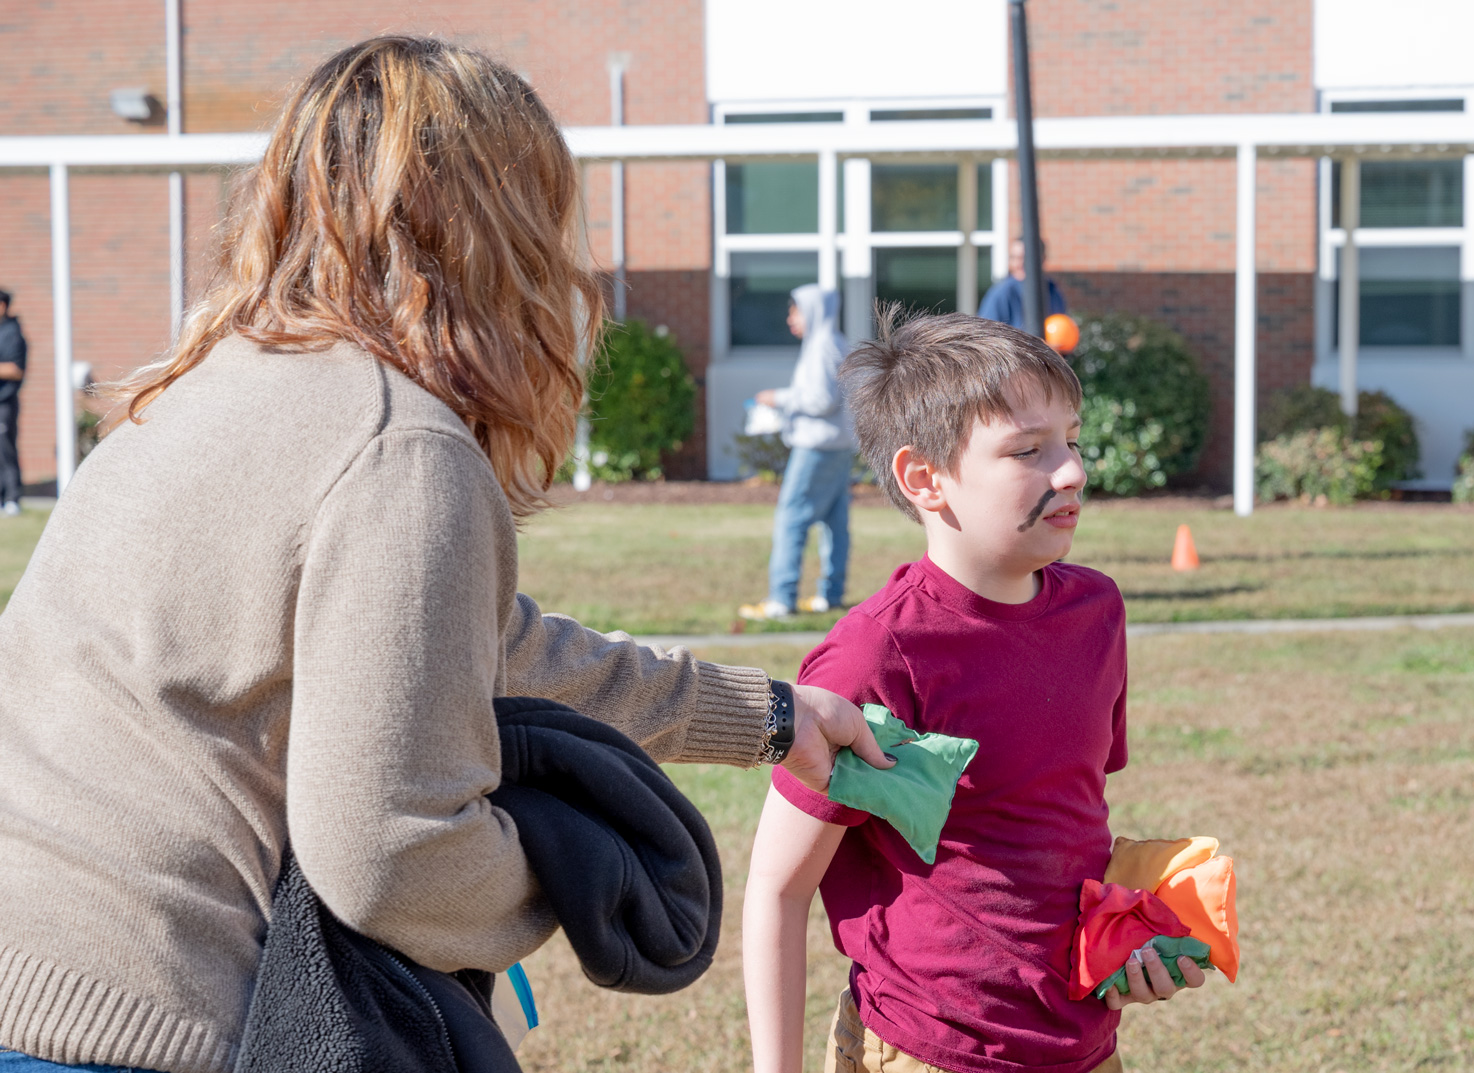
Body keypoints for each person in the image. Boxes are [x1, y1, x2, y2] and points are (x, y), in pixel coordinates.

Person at [0, 37, 889, 1073]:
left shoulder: (197, 388)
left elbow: (474, 642)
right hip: (154, 1016)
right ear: (497, 227)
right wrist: (568, 873)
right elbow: (389, 851)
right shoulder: (398, 443)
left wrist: (767, 715)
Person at [743, 313, 1203, 1073]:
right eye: (1028, 450)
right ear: (925, 478)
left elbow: (1054, 825)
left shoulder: (1097, 612)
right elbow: (778, 888)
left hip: (1082, 1047)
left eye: (1071, 441)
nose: (1073, 471)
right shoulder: (876, 657)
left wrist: (1129, 936)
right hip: (931, 1049)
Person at [739, 284, 856, 621]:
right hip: (837, 447)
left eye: (795, 310)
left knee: (791, 519)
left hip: (814, 447)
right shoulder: (836, 344)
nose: (790, 317)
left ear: (813, 311)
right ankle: (830, 595)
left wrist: (779, 398)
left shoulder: (821, 347)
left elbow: (821, 400)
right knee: (836, 521)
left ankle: (781, 598)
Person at [976, 236, 1067, 332]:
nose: (1019, 263)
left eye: (1025, 258)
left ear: (1043, 258)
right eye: (1014, 258)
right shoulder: (1002, 293)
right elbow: (986, 335)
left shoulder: (1052, 290)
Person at [0, 289, 24, 516]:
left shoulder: (12, 333)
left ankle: (12, 499)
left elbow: (15, 369)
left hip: (4, 403)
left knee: (5, 450)